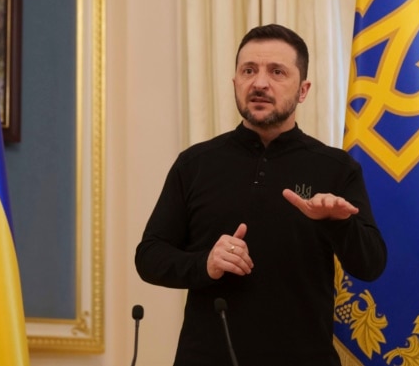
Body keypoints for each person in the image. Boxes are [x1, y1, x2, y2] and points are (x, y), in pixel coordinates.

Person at [135, 23, 387, 366]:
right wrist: (204, 263)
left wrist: (338, 224)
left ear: (303, 89)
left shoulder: (336, 168)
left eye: (277, 72)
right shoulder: (195, 164)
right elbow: (149, 256)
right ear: (235, 82)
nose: (260, 82)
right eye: (248, 70)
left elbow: (371, 265)